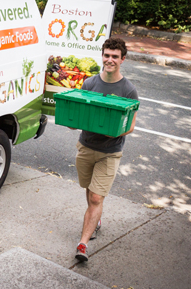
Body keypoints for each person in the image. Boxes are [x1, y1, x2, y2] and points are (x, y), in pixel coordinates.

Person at [74, 37, 139, 262]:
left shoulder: (128, 90)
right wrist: (73, 120)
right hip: (86, 146)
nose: (110, 60)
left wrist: (116, 133)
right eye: (107, 55)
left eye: (114, 57)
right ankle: (96, 218)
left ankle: (82, 245)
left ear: (123, 59)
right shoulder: (89, 83)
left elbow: (130, 126)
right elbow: (81, 113)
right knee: (90, 191)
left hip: (110, 152)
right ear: (102, 56)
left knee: (95, 197)